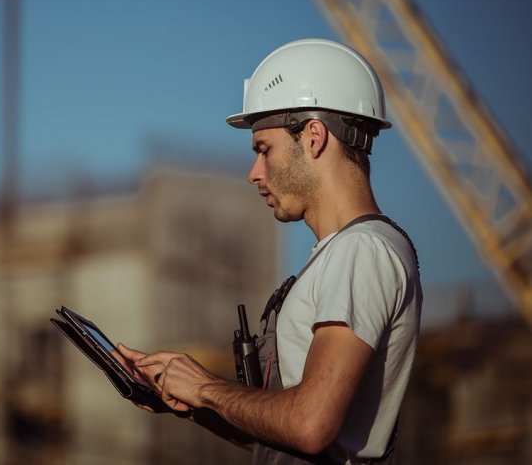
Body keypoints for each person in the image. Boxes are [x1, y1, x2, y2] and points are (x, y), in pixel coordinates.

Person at [117, 38, 423, 464]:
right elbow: (282, 434)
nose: (254, 173)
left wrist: (206, 387)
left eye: (265, 150)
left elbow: (310, 425)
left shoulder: (363, 250)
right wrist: (189, 399)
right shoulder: (342, 254)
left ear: (313, 137)